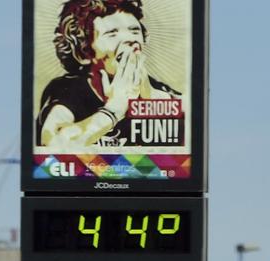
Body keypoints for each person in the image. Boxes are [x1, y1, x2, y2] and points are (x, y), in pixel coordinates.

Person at [37, 0, 181, 150]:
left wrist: (153, 98)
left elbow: (196, 121)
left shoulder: (153, 88)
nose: (131, 39)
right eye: (112, 33)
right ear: (84, 51)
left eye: (134, 31)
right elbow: (52, 145)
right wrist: (115, 109)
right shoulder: (67, 90)